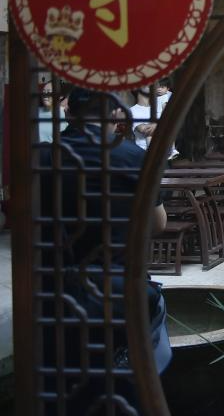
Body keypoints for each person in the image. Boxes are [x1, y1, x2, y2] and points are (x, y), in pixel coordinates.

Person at [39, 87, 171, 412]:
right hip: (120, 288)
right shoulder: (133, 157)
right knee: (131, 383)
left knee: (68, 388)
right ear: (114, 115)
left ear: (68, 113)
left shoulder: (43, 157)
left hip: (58, 291)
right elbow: (157, 224)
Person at [37, 78, 67, 143]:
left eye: (49, 92)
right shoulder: (34, 112)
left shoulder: (65, 114)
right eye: (43, 92)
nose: (45, 95)